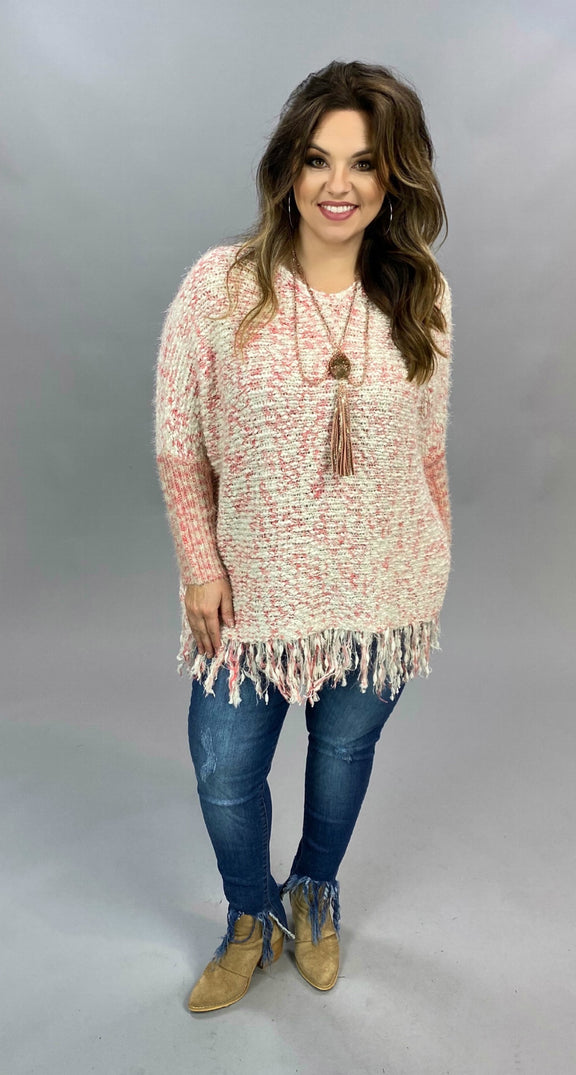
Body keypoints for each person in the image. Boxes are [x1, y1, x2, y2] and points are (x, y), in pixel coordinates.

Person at [153, 59, 454, 1013]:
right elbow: (179, 444)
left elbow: (430, 451)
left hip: (384, 591)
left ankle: (314, 892)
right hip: (252, 594)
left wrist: (431, 570)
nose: (338, 185)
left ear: (393, 179)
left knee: (342, 755)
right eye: (319, 159)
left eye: (364, 164)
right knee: (223, 766)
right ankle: (251, 914)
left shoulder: (422, 294)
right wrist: (199, 567)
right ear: (288, 168)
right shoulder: (221, 286)